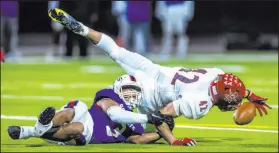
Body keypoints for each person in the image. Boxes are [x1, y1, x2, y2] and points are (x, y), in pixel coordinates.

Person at [48, 8, 272, 140]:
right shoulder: (201, 102)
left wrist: (249, 94)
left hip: (153, 70)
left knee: (116, 51)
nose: (234, 105)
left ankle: (83, 29)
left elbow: (227, 85)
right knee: (137, 133)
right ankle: (67, 132)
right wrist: (172, 140)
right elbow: (164, 113)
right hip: (147, 94)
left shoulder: (216, 74)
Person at [8, 88, 194, 146]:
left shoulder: (137, 125)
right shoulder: (110, 97)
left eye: (135, 92)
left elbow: (137, 140)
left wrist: (160, 133)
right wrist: (147, 118)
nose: (132, 96)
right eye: (129, 91)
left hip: (90, 133)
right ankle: (38, 128)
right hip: (87, 116)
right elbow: (113, 113)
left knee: (76, 129)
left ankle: (33, 130)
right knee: (72, 111)